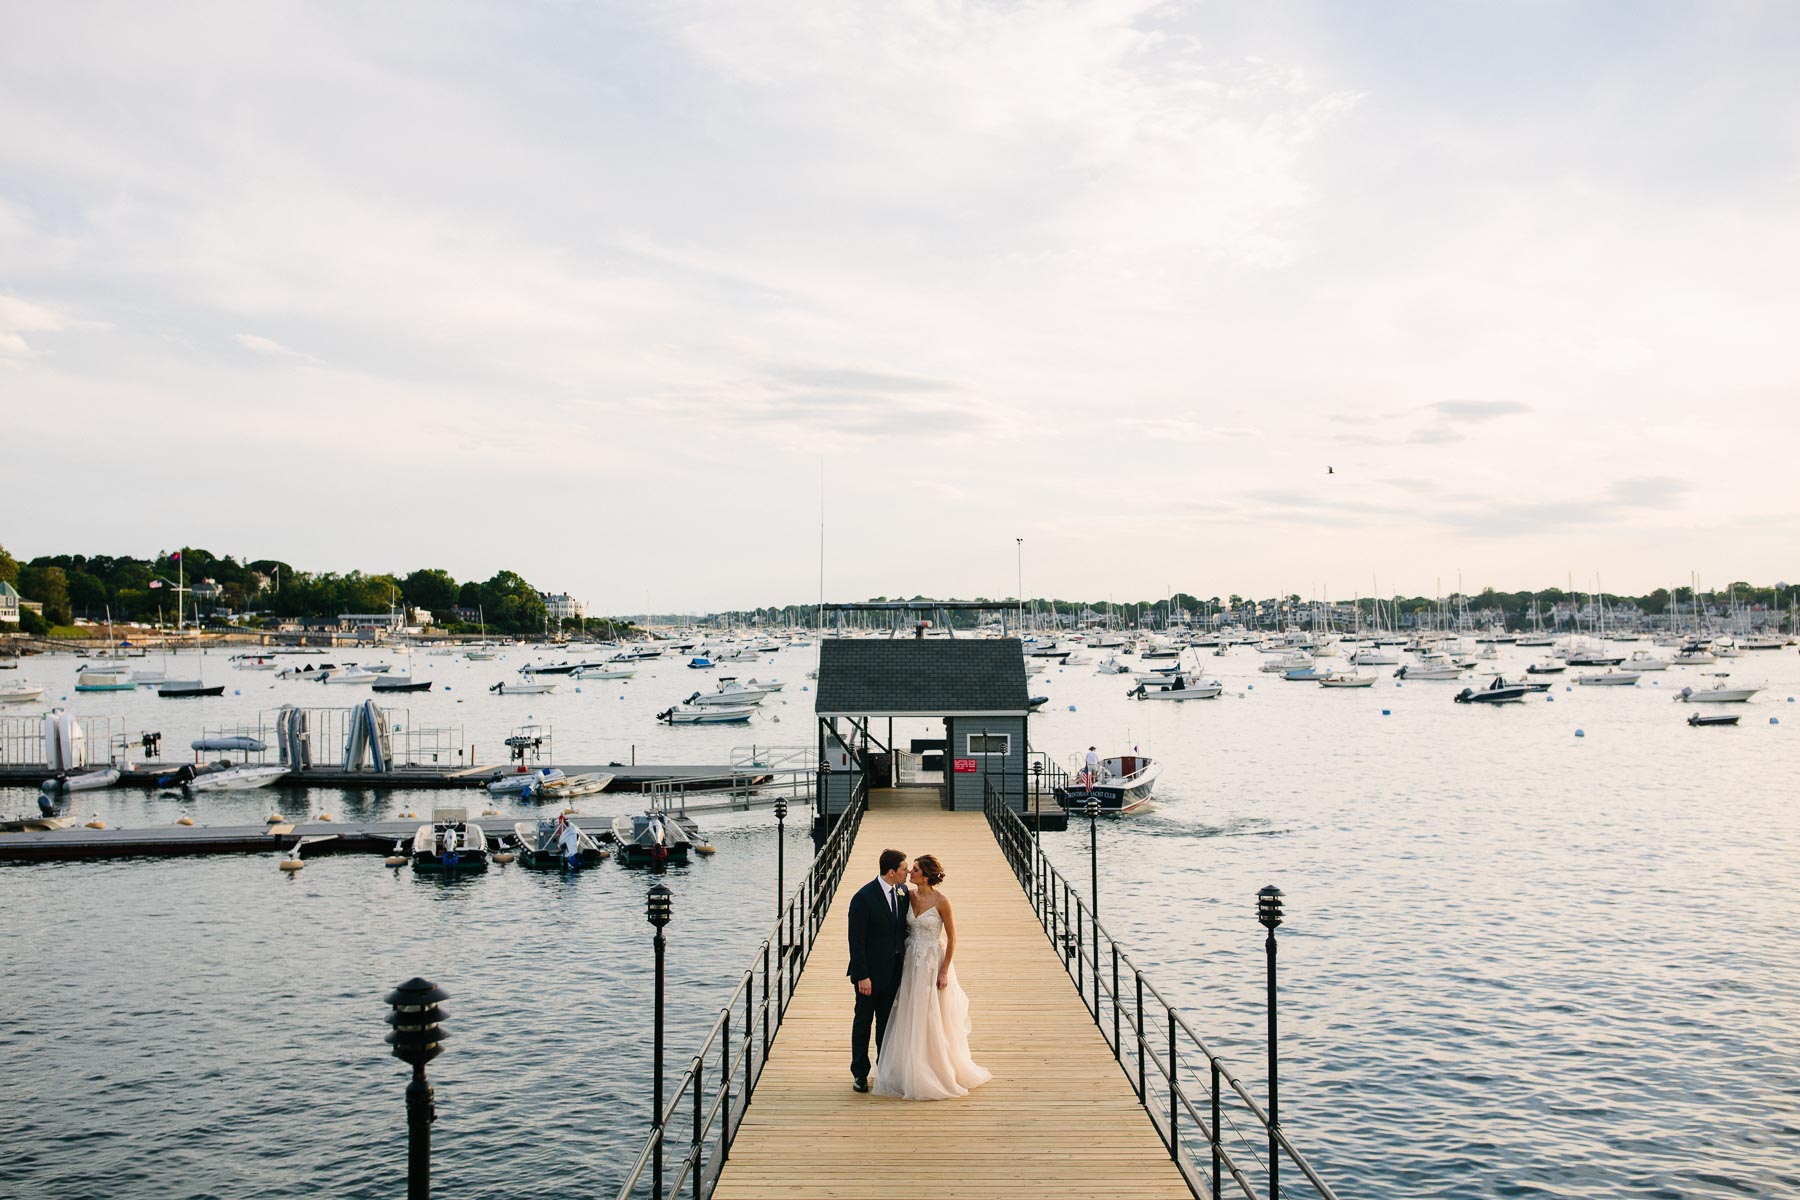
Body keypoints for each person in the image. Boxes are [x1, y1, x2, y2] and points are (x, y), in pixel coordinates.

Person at [872, 854, 993, 1101]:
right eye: (910, 868)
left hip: (931, 962)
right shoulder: (907, 895)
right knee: (909, 1011)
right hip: (910, 961)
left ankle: (933, 1067)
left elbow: (952, 938)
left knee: (931, 1014)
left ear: (925, 875)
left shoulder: (942, 901)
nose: (910, 873)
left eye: (914, 869)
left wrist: (944, 971)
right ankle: (907, 1067)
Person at [846, 849, 910, 1093]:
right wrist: (862, 975)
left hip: (893, 972)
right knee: (863, 1022)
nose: (907, 872)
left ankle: (883, 1070)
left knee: (887, 1023)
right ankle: (860, 1074)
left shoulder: (902, 892)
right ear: (891, 872)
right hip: (869, 976)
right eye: (904, 868)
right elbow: (856, 940)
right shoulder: (863, 898)